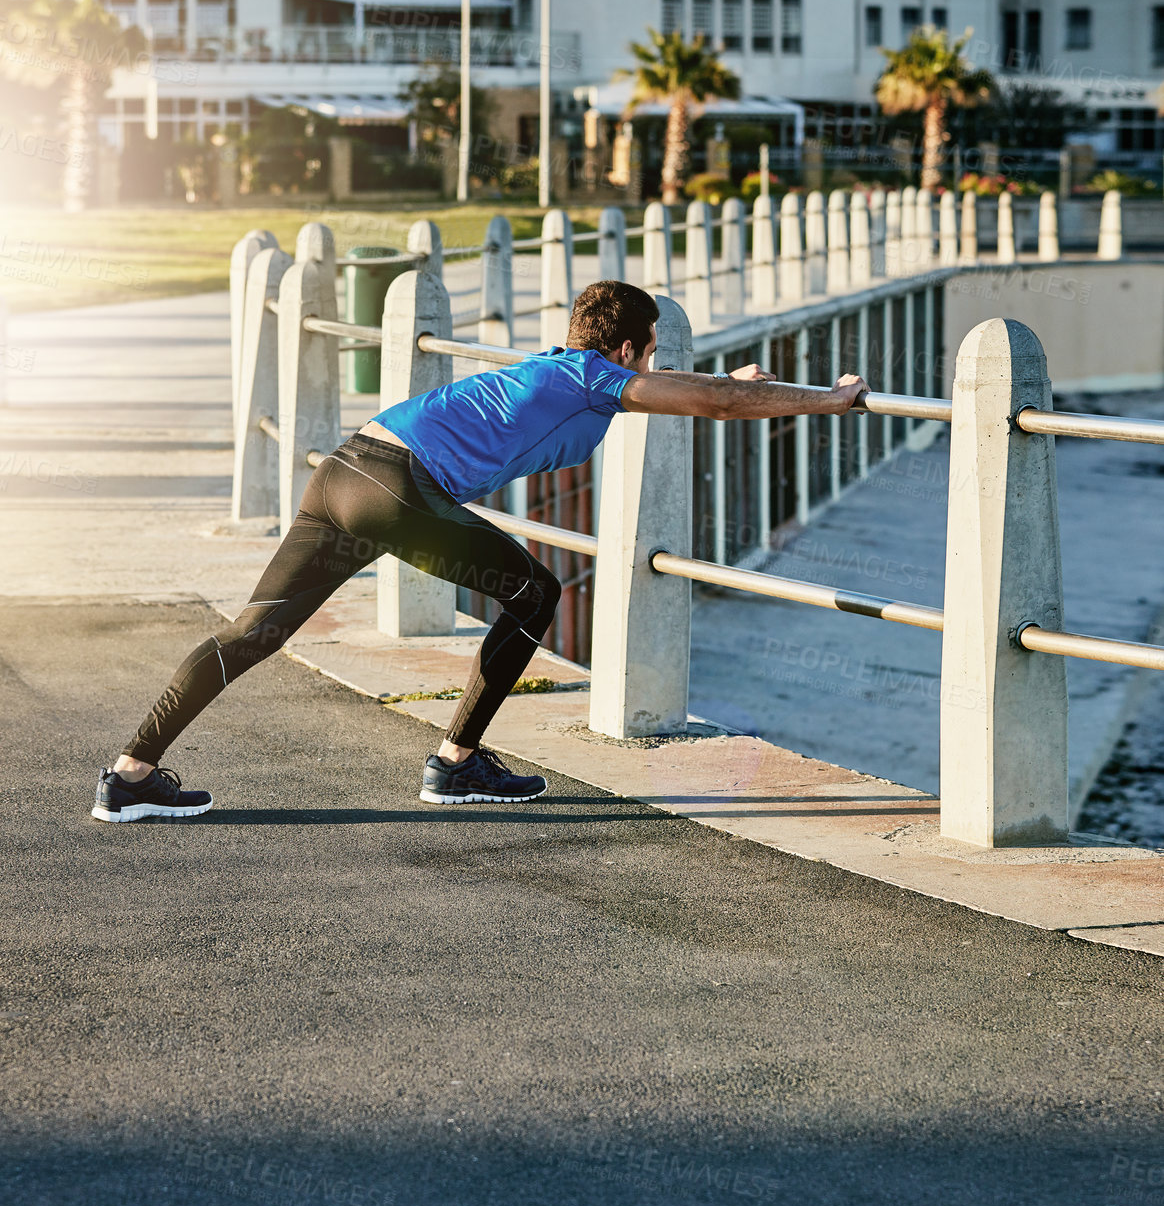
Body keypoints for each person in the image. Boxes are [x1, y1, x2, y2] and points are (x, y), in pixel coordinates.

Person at [92, 279, 867, 822]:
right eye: (651, 352)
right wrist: (827, 398)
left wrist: (719, 379)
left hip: (347, 469)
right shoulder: (599, 379)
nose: (653, 366)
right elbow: (719, 404)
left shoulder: (561, 369)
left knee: (253, 632)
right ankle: (458, 763)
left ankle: (128, 775)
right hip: (400, 486)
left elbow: (695, 390)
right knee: (536, 593)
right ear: (628, 349)